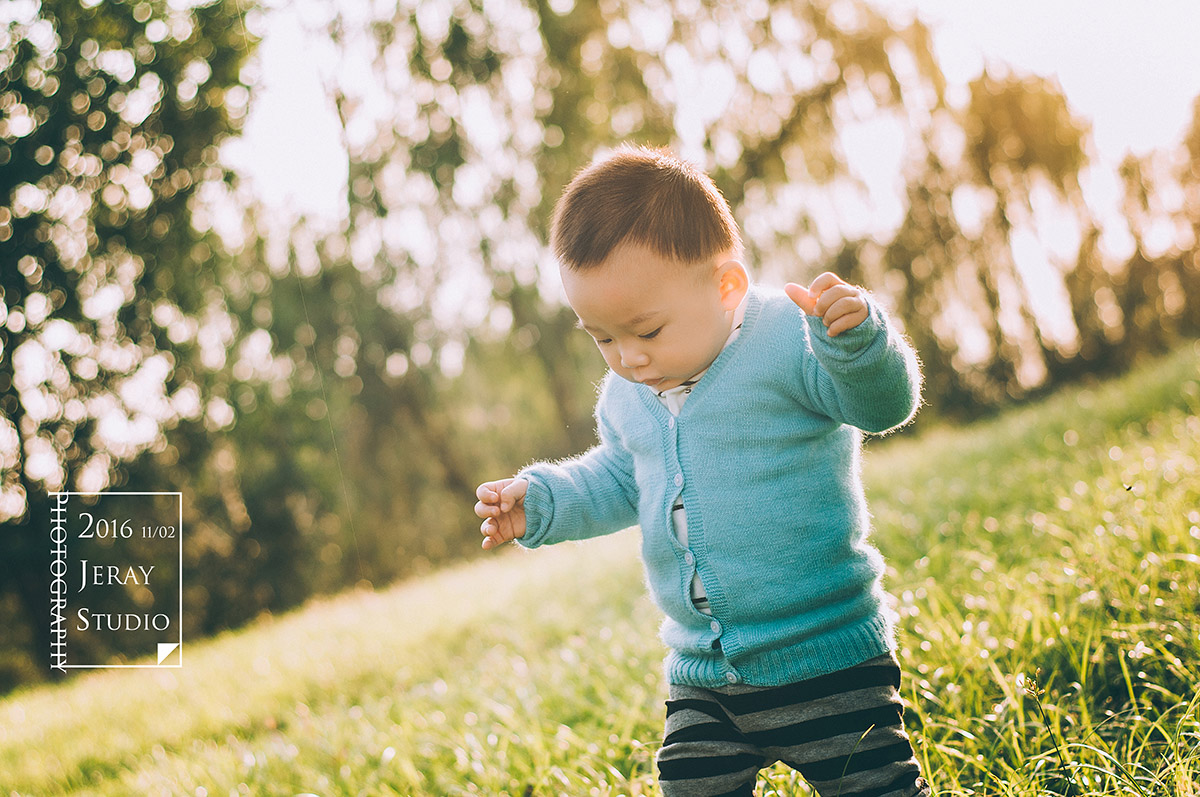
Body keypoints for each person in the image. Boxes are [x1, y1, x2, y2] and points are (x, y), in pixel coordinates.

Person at [474, 145, 930, 797]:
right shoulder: (627, 393)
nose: (627, 357)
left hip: (827, 657)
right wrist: (543, 501)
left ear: (727, 287)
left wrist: (858, 348)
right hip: (704, 677)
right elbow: (620, 479)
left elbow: (884, 407)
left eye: (647, 330)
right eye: (602, 336)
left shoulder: (790, 340)